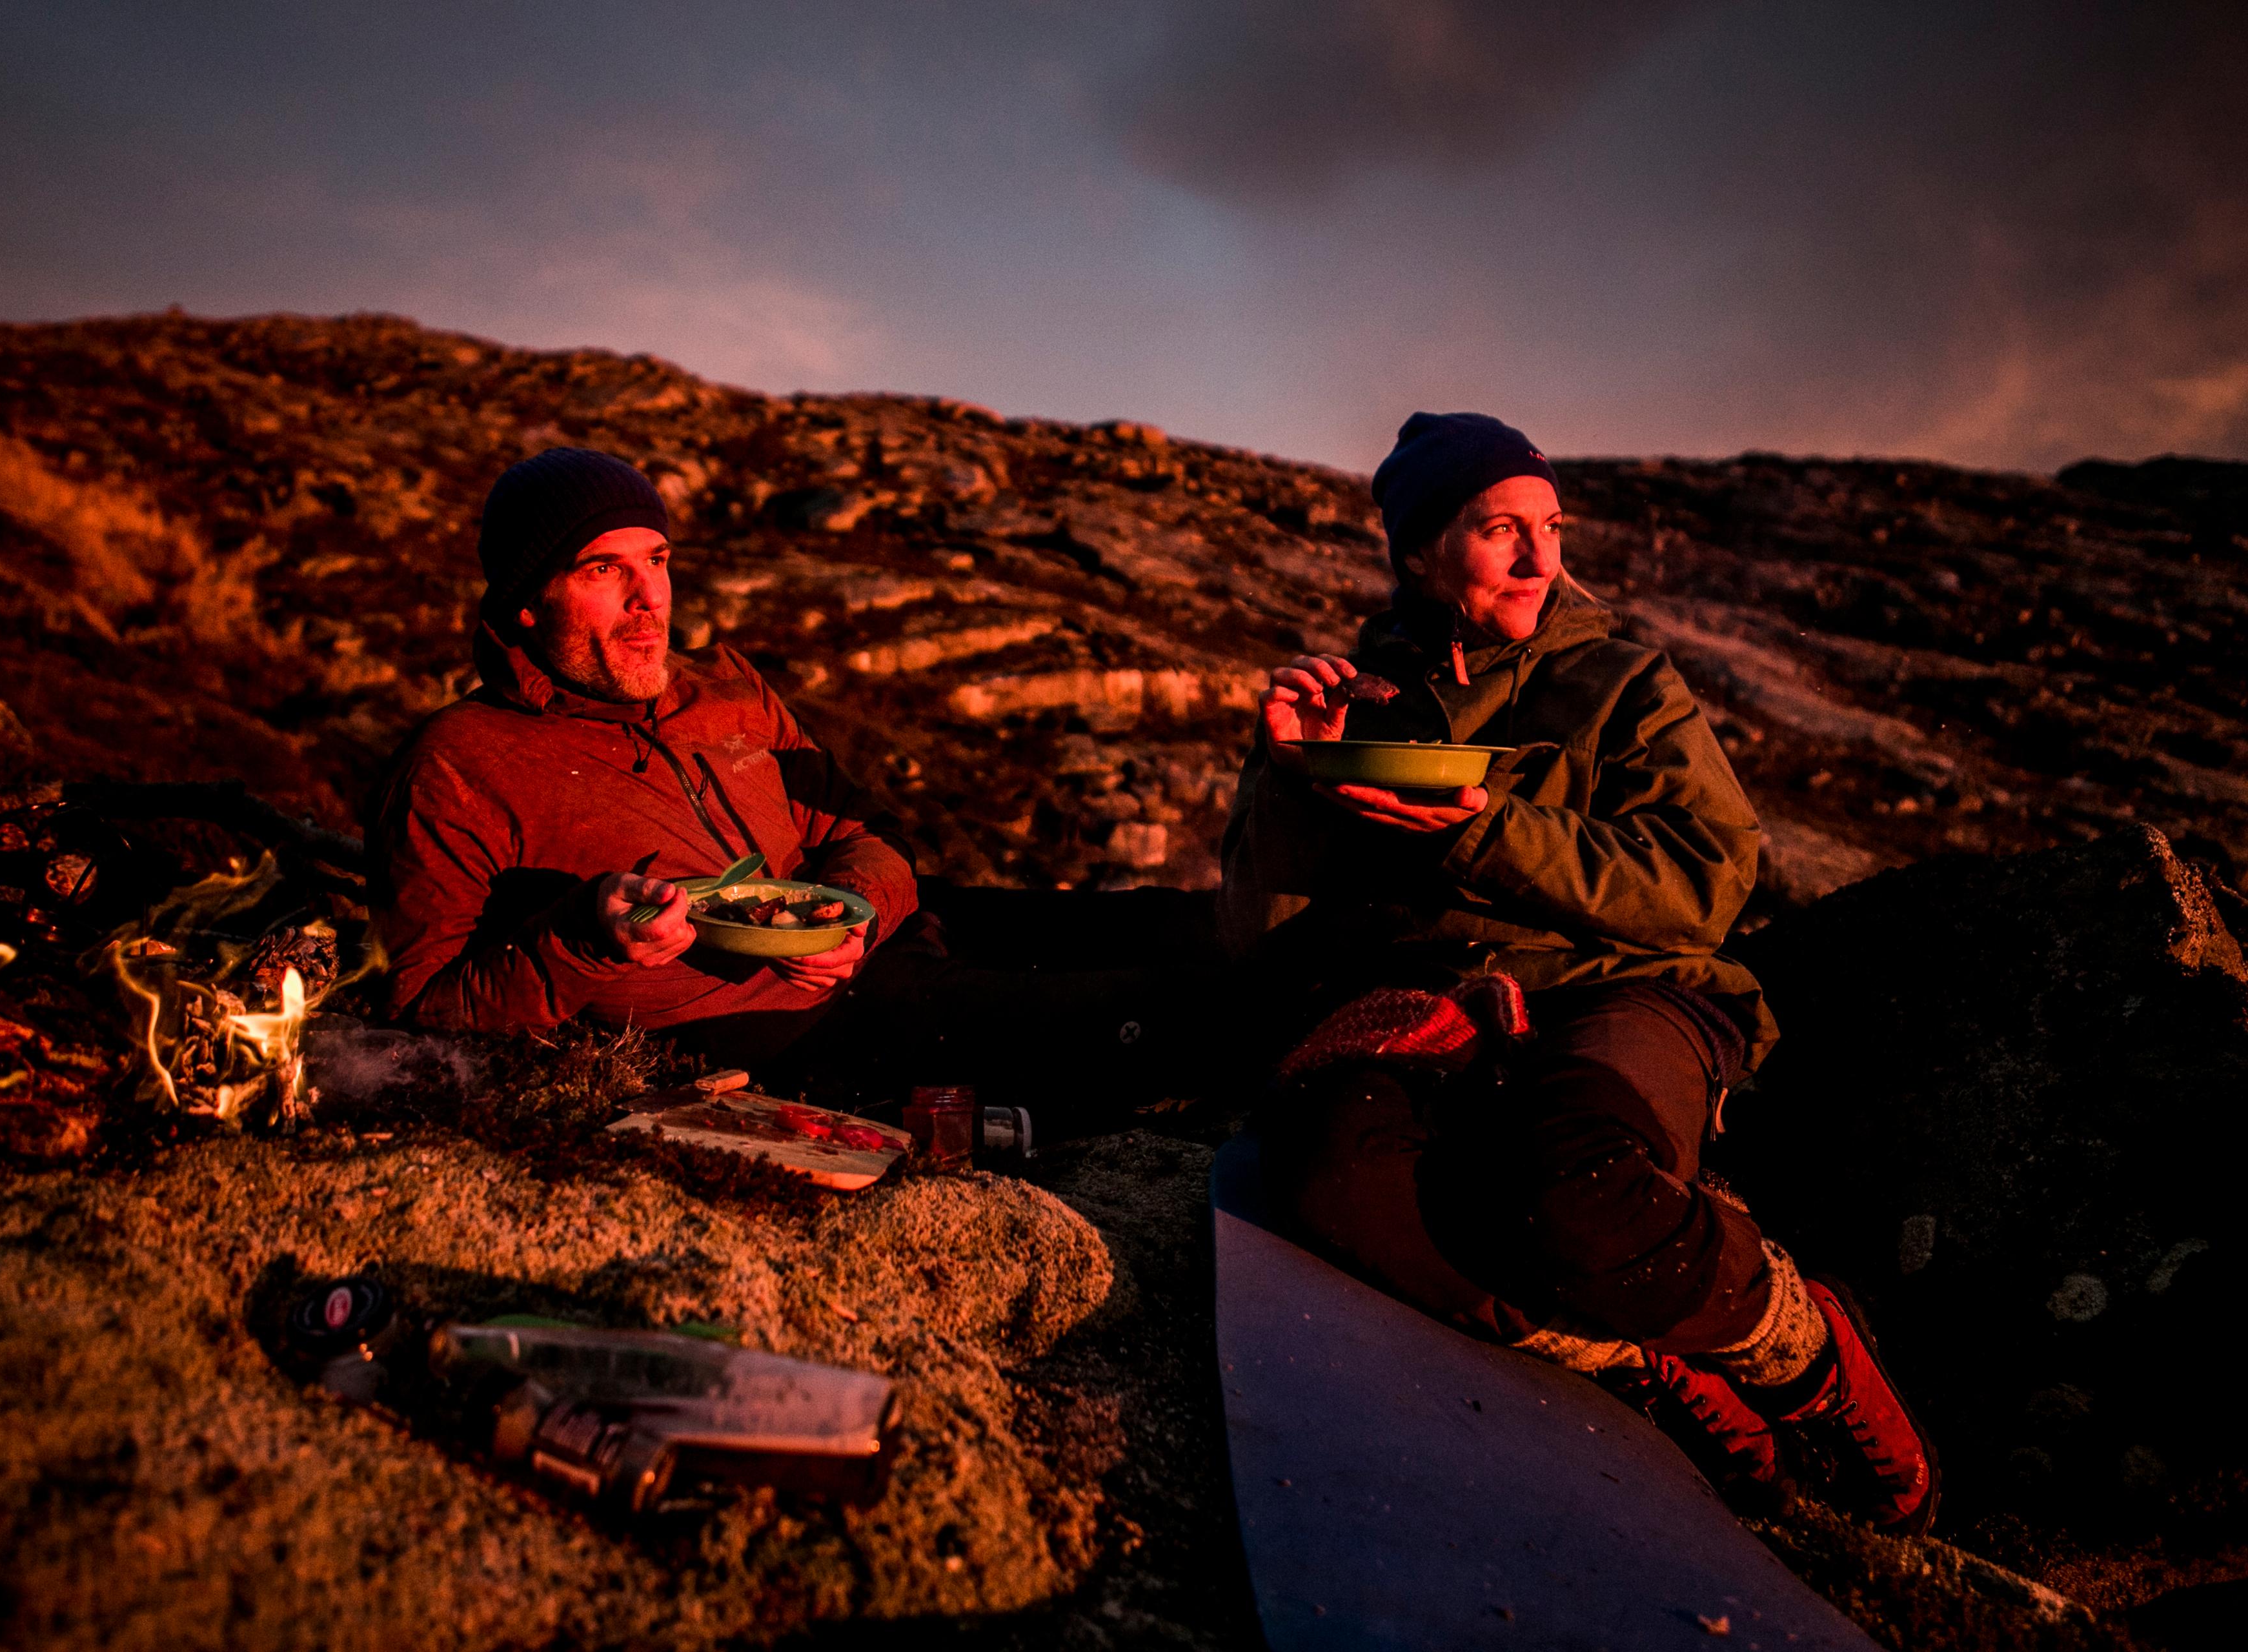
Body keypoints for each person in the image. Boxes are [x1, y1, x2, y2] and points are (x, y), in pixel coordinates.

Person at [1220, 412, 1939, 1533]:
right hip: (1438, 999)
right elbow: (1264, 938)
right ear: (1418, 553)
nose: (1539, 557)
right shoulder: (1370, 702)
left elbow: (1709, 879)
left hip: (1629, 987)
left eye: (1548, 526)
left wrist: (1484, 833)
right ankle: (1639, 1356)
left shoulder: (1623, 684)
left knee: (1572, 1187)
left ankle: (1802, 1350)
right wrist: (1283, 772)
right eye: (1499, 529)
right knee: (1326, 1182)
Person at [367, 446, 1210, 1118]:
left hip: (888, 937)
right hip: (791, 1037)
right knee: (1155, 1012)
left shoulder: (723, 685)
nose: (647, 598)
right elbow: (425, 1016)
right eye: (602, 571)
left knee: (1177, 924)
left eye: (657, 561)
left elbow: (866, 831)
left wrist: (858, 912)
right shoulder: (460, 764)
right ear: (525, 603)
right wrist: (581, 939)